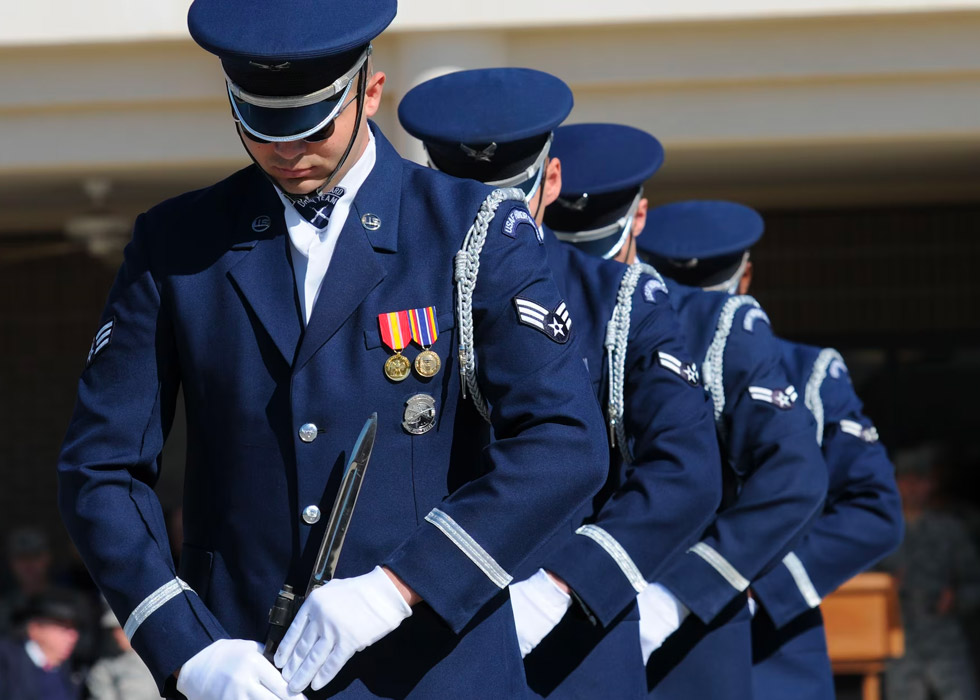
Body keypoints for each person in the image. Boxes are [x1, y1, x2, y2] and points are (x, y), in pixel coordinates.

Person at [55, 2, 609, 699]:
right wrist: (184, 643)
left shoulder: (471, 228)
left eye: (312, 125)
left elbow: (562, 443)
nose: (287, 149)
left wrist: (400, 585)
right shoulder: (175, 244)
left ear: (370, 92)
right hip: (246, 671)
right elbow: (100, 468)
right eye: (261, 126)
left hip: (437, 669)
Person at [397, 67, 722, 698]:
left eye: (507, 193)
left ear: (550, 179)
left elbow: (685, 469)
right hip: (416, 624)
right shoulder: (385, 282)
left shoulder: (620, 298)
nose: (491, 215)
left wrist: (566, 585)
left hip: (568, 641)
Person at [546, 123, 829, 698]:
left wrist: (679, 592)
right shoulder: (513, 305)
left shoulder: (712, 324)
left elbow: (794, 478)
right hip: (546, 614)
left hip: (680, 632)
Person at [640, 199, 905, 699]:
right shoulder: (625, 356)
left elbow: (875, 510)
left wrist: (758, 588)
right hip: (648, 631)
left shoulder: (808, 369)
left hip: (766, 654)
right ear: (744, 277)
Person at [878, 443, 980, 700]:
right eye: (905, 480)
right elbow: (858, 587)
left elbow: (975, 583)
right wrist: (885, 589)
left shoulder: (950, 530)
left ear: (930, 484)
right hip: (898, 643)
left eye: (919, 480)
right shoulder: (879, 532)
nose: (912, 488)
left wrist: (956, 599)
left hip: (946, 643)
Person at [0, 589, 83, 700]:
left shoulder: (74, 667)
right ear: (34, 629)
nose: (73, 636)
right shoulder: (6, 662)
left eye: (74, 628)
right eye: (64, 628)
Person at [86, 603, 161, 700]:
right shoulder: (103, 668)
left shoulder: (154, 660)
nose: (117, 636)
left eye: (121, 629)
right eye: (114, 630)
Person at [0, 527, 54, 637]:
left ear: (47, 558)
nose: (28, 564)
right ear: (11, 562)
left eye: (35, 556)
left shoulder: (73, 602)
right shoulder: (4, 606)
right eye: (22, 557)